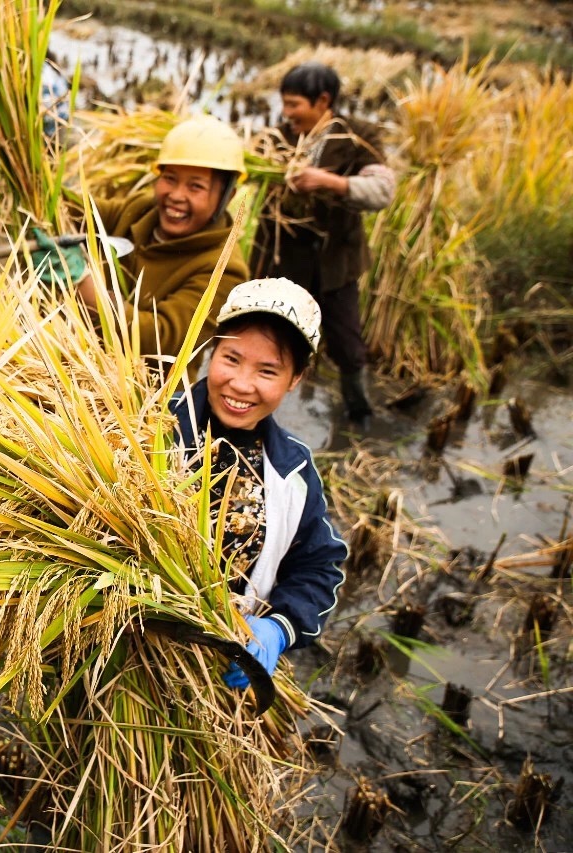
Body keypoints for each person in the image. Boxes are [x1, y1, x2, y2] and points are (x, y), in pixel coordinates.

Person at [170, 277, 347, 685]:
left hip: (218, 670)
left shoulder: (293, 472)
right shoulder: (150, 430)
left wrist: (279, 627)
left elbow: (319, 567)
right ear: (212, 351)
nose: (242, 384)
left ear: (296, 379)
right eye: (231, 359)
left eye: (267, 370)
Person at [250, 62, 396, 423]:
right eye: (284, 103)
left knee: (348, 344)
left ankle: (358, 414)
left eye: (295, 104)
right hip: (281, 265)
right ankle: (265, 413)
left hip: (335, 267)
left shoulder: (357, 138)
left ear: (323, 101)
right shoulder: (277, 139)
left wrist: (330, 182)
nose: (287, 113)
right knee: (272, 340)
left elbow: (382, 191)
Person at [55, 115, 251, 363]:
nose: (176, 195)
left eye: (195, 187)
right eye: (169, 179)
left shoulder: (223, 269)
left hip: (143, 390)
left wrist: (87, 288)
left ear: (227, 196)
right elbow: (79, 210)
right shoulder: (141, 211)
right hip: (76, 355)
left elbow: (163, 339)